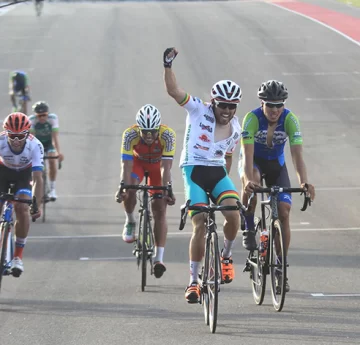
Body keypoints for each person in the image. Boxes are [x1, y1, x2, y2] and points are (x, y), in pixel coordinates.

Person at [163, 47, 242, 303]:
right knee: (198, 224)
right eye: (223, 105)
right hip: (194, 169)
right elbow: (175, 92)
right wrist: (168, 66)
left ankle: (226, 256)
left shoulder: (236, 127)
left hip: (217, 172)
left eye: (232, 106)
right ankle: (193, 281)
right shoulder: (198, 109)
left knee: (233, 213)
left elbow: (229, 156)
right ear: (214, 102)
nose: (227, 111)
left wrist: (223, 188)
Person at [239, 79, 316, 292]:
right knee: (252, 182)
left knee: (284, 211)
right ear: (261, 103)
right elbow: (246, 155)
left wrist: (304, 181)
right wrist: (248, 180)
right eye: (270, 105)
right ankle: (246, 219)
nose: (274, 110)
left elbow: (297, 155)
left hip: (276, 165)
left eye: (279, 104)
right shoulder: (251, 119)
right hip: (253, 161)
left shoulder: (290, 119)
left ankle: (281, 265)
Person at [115, 104, 176, 279]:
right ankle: (130, 220)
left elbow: (166, 167)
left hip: (158, 167)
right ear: (139, 129)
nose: (149, 136)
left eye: (153, 132)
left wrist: (168, 188)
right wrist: (123, 187)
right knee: (130, 187)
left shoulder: (168, 135)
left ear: (159, 128)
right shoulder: (130, 134)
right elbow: (126, 165)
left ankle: (159, 259)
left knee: (160, 208)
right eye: (145, 132)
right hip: (138, 164)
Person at [0, 112, 43, 276]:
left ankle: (18, 256)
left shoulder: (35, 145)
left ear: (28, 133)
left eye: (20, 136)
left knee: (22, 209)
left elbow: (38, 179)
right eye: (12, 136)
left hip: (24, 176)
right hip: (3, 172)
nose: (16, 141)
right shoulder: (1, 141)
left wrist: (36, 204)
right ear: (6, 133)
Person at [29, 101, 64, 201]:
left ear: (47, 114)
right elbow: (32, 139)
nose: (42, 118)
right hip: (37, 143)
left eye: (44, 115)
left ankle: (53, 189)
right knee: (36, 167)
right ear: (35, 115)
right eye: (39, 116)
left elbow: (55, 136)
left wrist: (58, 152)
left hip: (49, 143)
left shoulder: (53, 118)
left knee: (52, 162)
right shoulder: (31, 120)